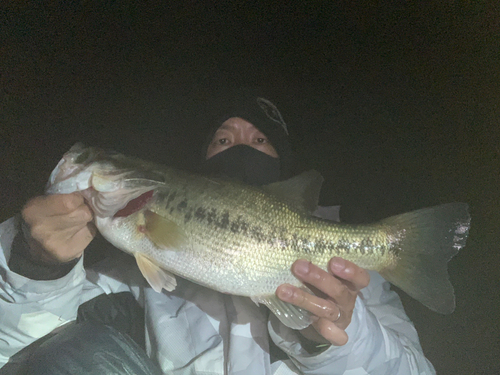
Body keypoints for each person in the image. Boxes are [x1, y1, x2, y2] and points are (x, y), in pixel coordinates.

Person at [0, 90, 436, 374]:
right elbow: (21, 354)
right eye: (223, 141)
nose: (241, 148)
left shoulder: (351, 278)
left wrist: (339, 338)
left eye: (259, 140)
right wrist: (32, 268)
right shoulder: (126, 270)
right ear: (203, 162)